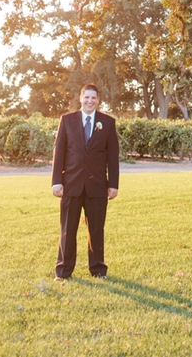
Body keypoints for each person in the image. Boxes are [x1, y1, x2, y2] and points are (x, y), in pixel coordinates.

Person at [51, 82, 120, 280]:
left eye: (93, 98)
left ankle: (98, 269)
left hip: (97, 186)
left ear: (98, 100)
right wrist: (56, 181)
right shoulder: (67, 120)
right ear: (80, 99)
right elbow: (59, 152)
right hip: (71, 184)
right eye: (87, 97)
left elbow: (112, 156)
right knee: (67, 230)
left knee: (96, 230)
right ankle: (63, 271)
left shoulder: (108, 123)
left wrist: (113, 184)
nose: (90, 101)